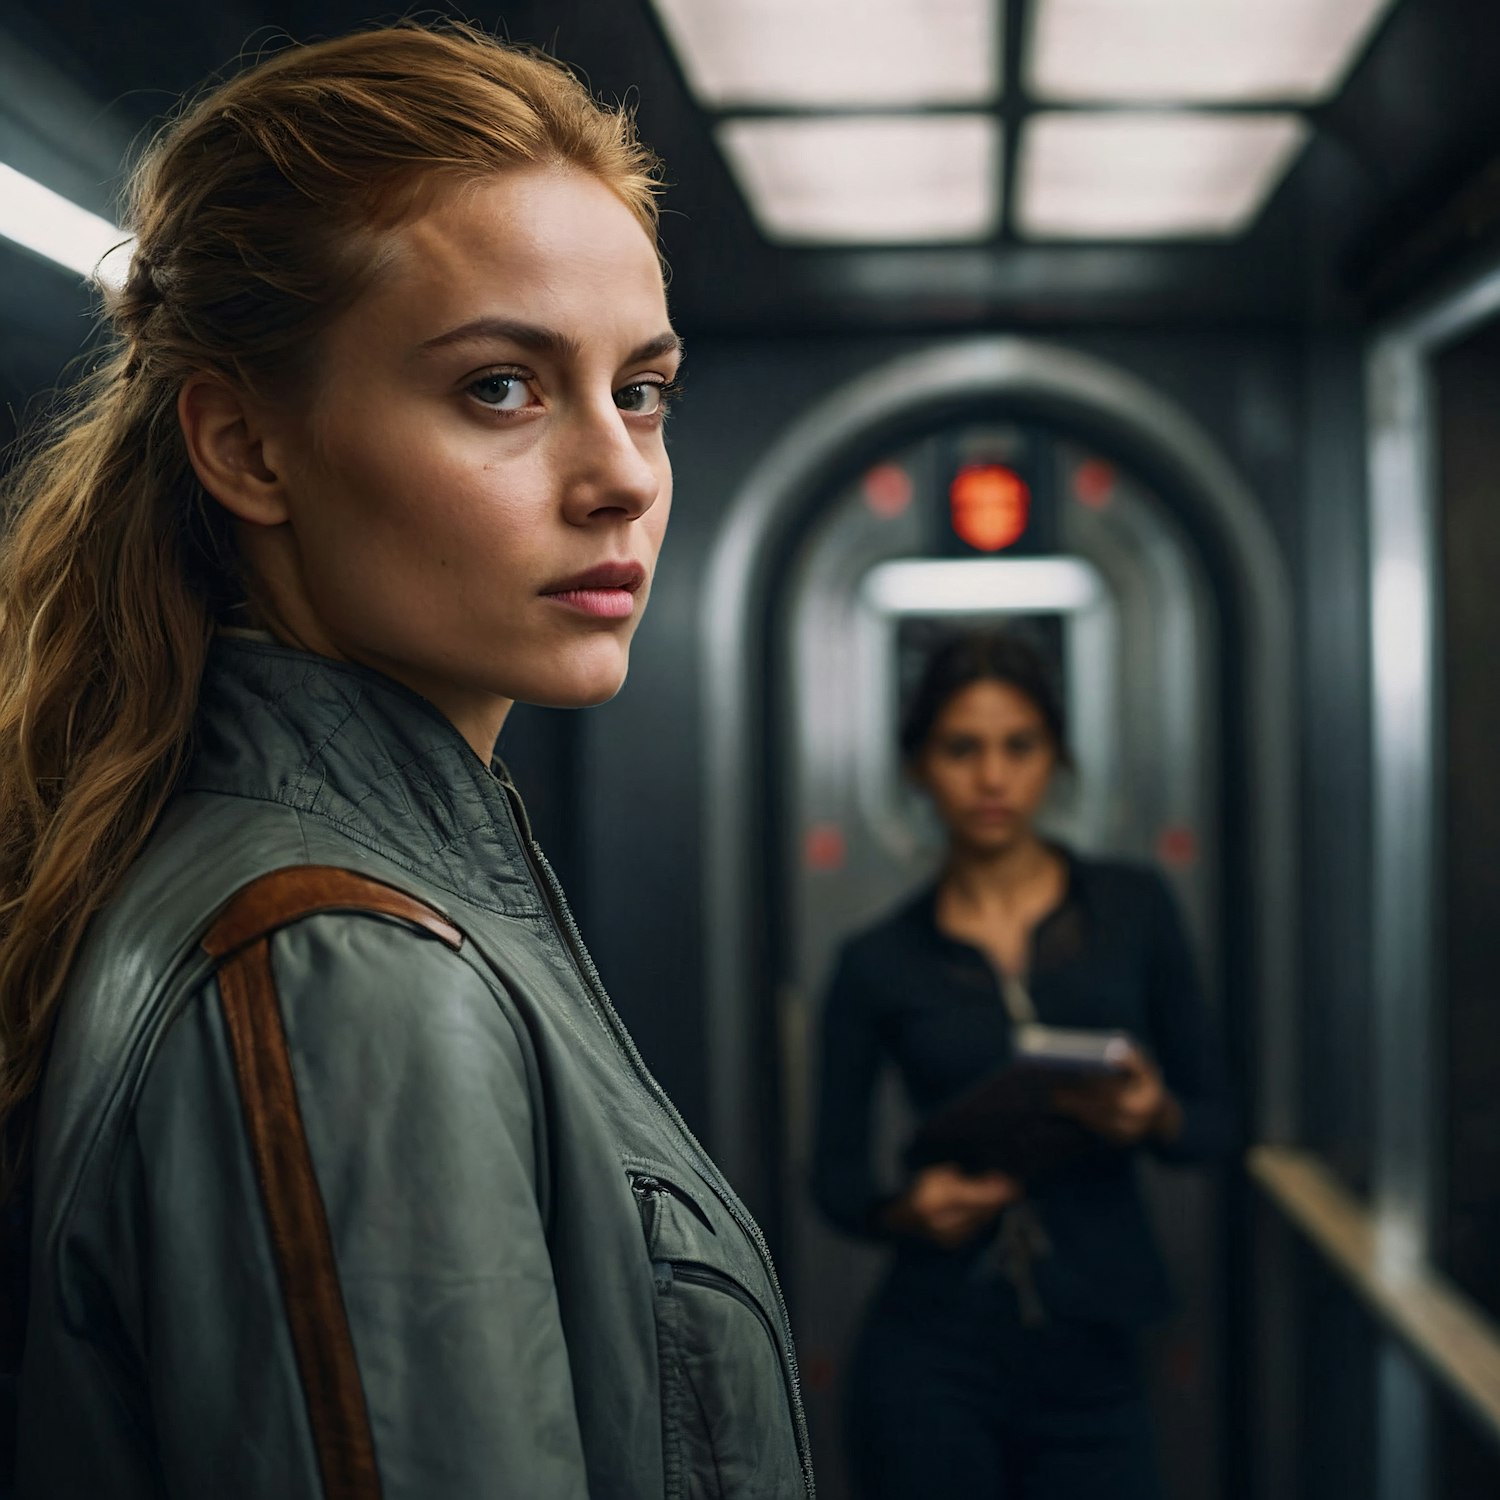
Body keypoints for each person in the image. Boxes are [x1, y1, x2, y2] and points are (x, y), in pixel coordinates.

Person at [0, 24, 812, 1499]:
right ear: (247, 449)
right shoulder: (342, 966)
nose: (622, 473)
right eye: (502, 387)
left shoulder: (320, 886)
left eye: (641, 388)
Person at [812, 629, 1234, 1500]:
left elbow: (1220, 1122)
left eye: (1020, 746)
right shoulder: (876, 959)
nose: (993, 777)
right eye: (962, 748)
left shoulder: (1133, 911)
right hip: (933, 1351)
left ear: (1058, 760)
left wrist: (1154, 1115)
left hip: (1099, 1345)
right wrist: (906, 1211)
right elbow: (831, 1174)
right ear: (920, 767)